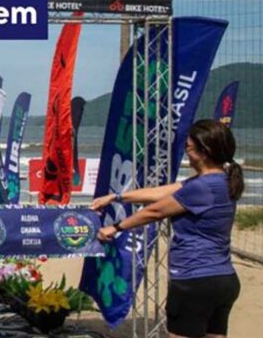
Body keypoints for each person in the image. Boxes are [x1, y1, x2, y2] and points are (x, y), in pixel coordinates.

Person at [91, 119, 243, 338]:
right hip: (224, 279)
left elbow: (155, 211)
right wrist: (115, 197)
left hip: (194, 280)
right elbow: (161, 192)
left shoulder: (202, 187)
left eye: (188, 147)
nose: (187, 152)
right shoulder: (222, 181)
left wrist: (115, 227)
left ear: (204, 151)